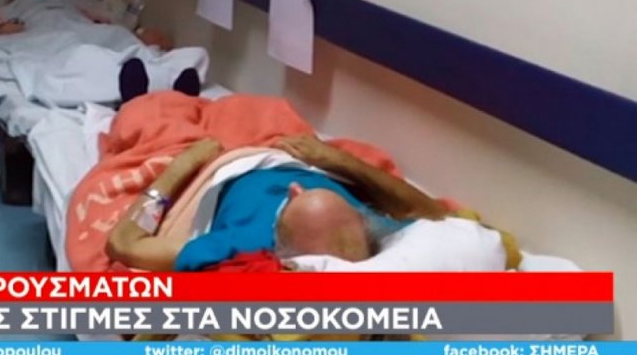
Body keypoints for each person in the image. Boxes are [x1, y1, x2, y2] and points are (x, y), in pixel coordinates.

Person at [107, 134, 454, 272]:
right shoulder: (381, 232)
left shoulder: (237, 249)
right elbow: (433, 213)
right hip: (310, 156)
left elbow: (123, 244)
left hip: (224, 164)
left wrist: (181, 167)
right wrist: (338, 160)